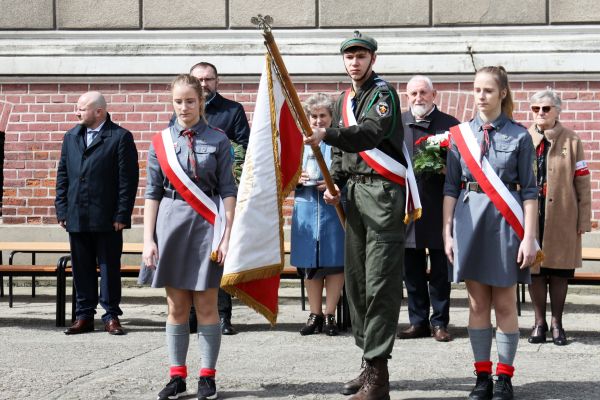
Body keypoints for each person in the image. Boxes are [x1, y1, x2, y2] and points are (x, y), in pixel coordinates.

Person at [305, 31, 407, 400]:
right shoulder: (344, 98)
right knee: (357, 282)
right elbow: (339, 155)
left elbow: (369, 133)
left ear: (372, 60)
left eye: (361, 55)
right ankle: (369, 360)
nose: (354, 62)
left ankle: (379, 377)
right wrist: (334, 183)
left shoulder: (384, 95)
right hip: (353, 194)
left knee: (380, 282)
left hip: (381, 193)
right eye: (349, 56)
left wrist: (327, 134)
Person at [443, 66, 538, 400]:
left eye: (487, 90)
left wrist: (529, 237)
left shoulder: (520, 136)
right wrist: (447, 231)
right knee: (477, 303)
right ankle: (482, 376)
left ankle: (504, 377)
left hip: (505, 226)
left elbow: (529, 191)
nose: (480, 96)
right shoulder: (460, 136)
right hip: (470, 222)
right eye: (476, 89)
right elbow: (451, 187)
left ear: (503, 93)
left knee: (506, 303)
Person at [143, 74, 236, 400]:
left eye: (190, 101)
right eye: (178, 101)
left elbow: (227, 190)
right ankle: (177, 376)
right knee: (176, 306)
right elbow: (152, 193)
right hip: (171, 225)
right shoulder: (161, 142)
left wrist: (226, 236)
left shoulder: (219, 139)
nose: (184, 107)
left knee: (207, 305)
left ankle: (207, 377)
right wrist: (148, 240)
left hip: (207, 228)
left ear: (201, 102)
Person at [55, 91, 138, 336]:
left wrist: (122, 214)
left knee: (109, 267)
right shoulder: (71, 136)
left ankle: (111, 315)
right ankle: (84, 316)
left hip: (108, 218)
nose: (76, 112)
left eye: (81, 108)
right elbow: (63, 175)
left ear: (99, 111)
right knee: (81, 268)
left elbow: (128, 181)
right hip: (77, 214)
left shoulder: (120, 137)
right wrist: (62, 208)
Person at [526, 88, 591, 346]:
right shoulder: (523, 139)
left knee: (559, 272)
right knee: (535, 272)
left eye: (546, 108)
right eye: (535, 109)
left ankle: (557, 323)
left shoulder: (572, 141)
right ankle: (539, 322)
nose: (540, 113)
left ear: (557, 111)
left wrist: (583, 220)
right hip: (532, 215)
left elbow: (583, 181)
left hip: (563, 215)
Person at [190, 61, 250, 336]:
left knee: (220, 255)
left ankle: (223, 316)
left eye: (208, 79)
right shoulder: (184, 109)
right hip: (190, 197)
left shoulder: (232, 111)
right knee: (192, 257)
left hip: (220, 195)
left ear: (217, 80)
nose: (204, 84)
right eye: (198, 79)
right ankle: (192, 315)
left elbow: (245, 148)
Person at [397, 75, 458, 343]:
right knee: (412, 269)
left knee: (440, 269)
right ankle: (417, 321)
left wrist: (447, 169)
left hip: (439, 207)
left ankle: (440, 323)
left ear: (434, 95)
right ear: (406, 97)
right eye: (413, 94)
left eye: (423, 92)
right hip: (408, 207)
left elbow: (462, 166)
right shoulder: (396, 124)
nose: (418, 98)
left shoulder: (450, 125)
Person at [291, 93, 345, 336]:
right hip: (305, 206)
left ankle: (330, 314)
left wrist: (336, 181)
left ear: (331, 118)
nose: (318, 120)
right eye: (313, 116)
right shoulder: (297, 141)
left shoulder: (340, 141)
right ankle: (315, 314)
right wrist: (295, 178)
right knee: (309, 264)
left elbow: (347, 170)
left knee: (335, 264)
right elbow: (283, 173)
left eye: (323, 115)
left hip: (332, 209)